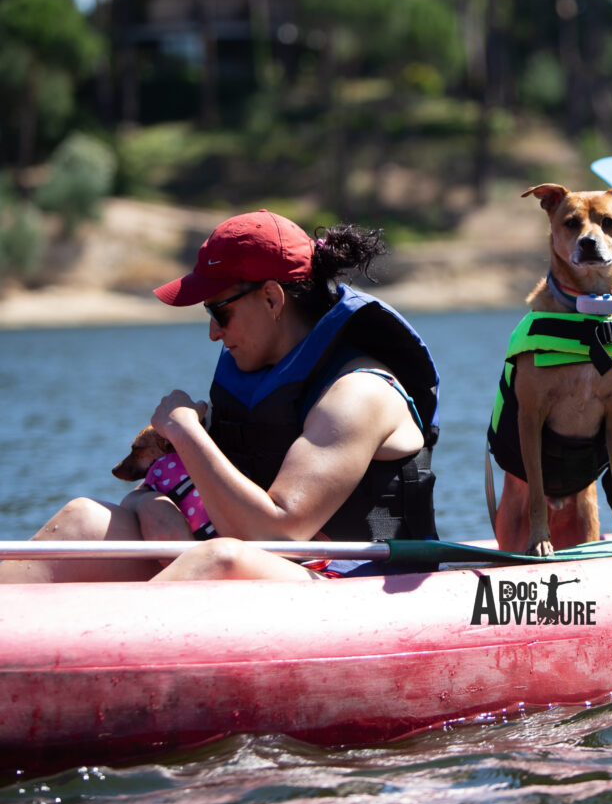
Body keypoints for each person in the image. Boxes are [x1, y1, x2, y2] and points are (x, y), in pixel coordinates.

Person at [0, 209, 440, 582]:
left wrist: (186, 431)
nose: (213, 332)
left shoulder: (357, 392)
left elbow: (279, 535)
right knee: (84, 519)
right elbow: (200, 503)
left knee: (221, 560)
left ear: (271, 298)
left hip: (355, 587)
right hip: (270, 575)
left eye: (219, 311)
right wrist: (149, 504)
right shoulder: (260, 378)